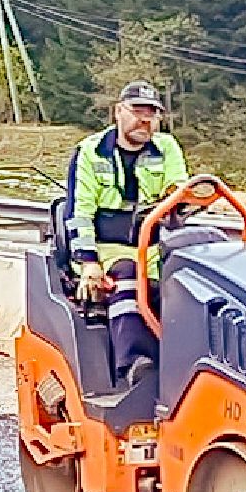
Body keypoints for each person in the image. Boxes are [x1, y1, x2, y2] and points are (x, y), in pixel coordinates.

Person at [65, 80, 188, 384]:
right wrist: (88, 262)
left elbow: (179, 195)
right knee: (130, 275)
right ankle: (136, 365)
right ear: (118, 112)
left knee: (190, 280)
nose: (144, 119)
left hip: (154, 245)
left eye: (152, 113)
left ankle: (190, 366)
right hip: (107, 249)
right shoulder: (91, 152)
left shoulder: (167, 148)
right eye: (137, 111)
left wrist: (179, 200)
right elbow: (79, 213)